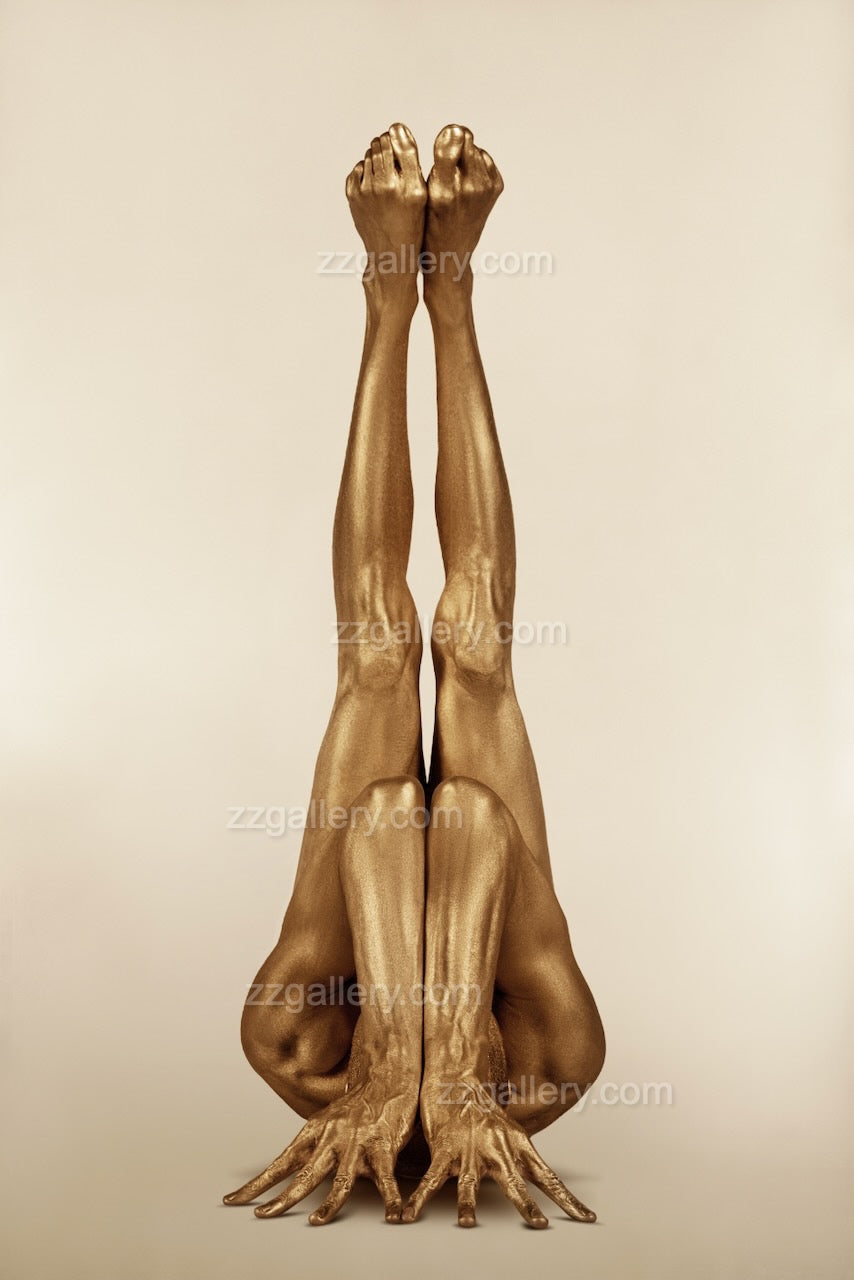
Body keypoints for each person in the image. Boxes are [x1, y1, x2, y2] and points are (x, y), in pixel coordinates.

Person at [223, 123, 605, 1229]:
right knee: (475, 645)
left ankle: (388, 290)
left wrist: (391, 1046)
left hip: (364, 1003)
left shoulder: (299, 1046)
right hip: (475, 990)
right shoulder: (549, 1060)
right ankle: (453, 293)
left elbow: (392, 812)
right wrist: (435, 1054)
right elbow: (472, 822)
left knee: (376, 651)